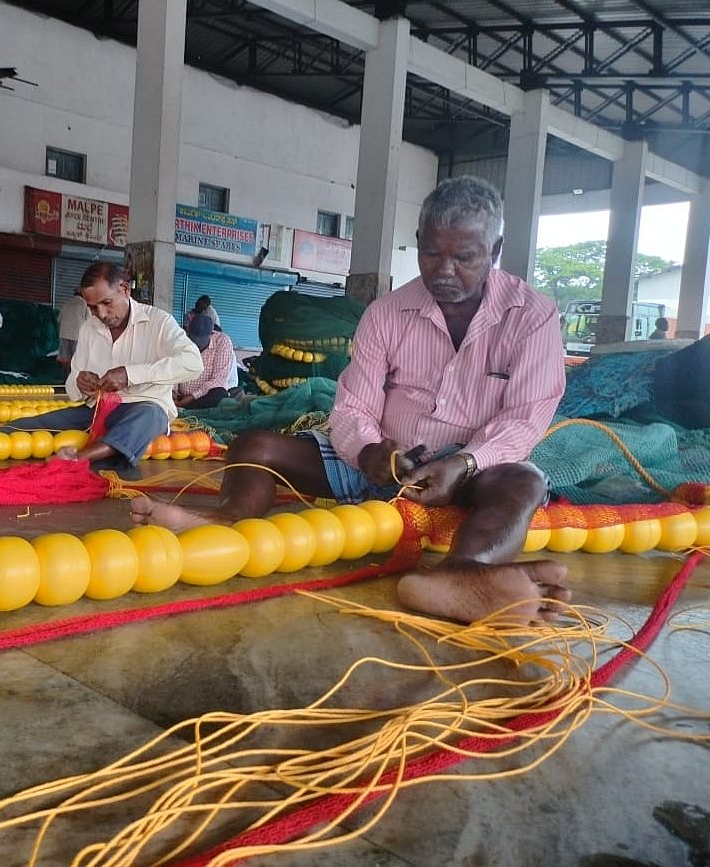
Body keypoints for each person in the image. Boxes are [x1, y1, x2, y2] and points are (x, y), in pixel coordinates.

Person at [131, 176, 572, 627]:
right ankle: (228, 520)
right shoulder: (386, 313)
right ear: (418, 241)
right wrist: (368, 451)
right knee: (253, 445)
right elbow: (353, 407)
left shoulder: (531, 317)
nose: (444, 270)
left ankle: (462, 575)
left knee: (524, 482)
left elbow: (525, 419)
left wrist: (463, 463)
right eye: (431, 253)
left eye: (464, 258)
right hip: (383, 463)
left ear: (495, 251)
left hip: (471, 472)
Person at [14, 261, 202, 472]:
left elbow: (193, 363)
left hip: (143, 408)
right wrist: (80, 382)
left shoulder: (159, 322)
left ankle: (80, 458)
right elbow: (73, 383)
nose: (101, 314)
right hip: (97, 410)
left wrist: (130, 375)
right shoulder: (89, 328)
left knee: (149, 416)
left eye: (107, 303)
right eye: (93, 307)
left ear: (124, 289)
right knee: (29, 426)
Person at [175, 314, 236, 409]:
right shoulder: (180, 339)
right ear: (188, 332)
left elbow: (219, 379)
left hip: (203, 396)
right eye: (193, 340)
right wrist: (173, 392)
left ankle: (186, 409)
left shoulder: (222, 341)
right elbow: (173, 368)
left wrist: (192, 397)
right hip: (180, 396)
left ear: (211, 334)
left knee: (220, 393)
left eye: (201, 341)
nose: (197, 345)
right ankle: (182, 407)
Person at [57, 288, 90, 371]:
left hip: (64, 334)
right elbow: (89, 321)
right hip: (77, 335)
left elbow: (59, 319)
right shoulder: (84, 304)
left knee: (65, 358)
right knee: (77, 358)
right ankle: (74, 374)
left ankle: (67, 374)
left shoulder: (67, 303)